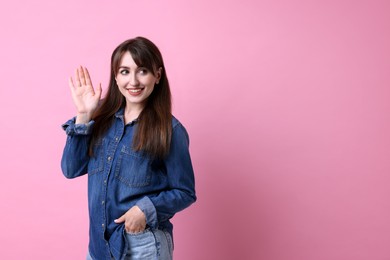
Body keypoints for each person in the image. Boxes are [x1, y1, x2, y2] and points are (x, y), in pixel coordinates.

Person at [61, 36, 196, 260]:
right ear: (115, 76)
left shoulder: (170, 130)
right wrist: (83, 116)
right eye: (124, 71)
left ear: (158, 75)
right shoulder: (100, 120)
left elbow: (185, 192)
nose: (133, 81)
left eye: (142, 71)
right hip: (98, 248)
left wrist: (146, 208)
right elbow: (70, 169)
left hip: (142, 247)